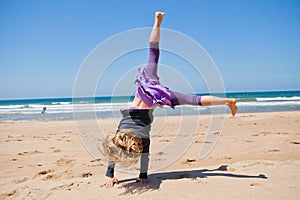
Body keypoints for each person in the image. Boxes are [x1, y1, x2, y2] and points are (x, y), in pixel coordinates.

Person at [102, 11, 237, 188]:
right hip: (147, 86)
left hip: (157, 97)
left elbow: (141, 154)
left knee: (194, 100)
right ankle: (157, 21)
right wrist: (113, 172)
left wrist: (140, 175)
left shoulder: (142, 138)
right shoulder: (121, 132)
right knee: (153, 52)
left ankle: (227, 102)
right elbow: (114, 149)